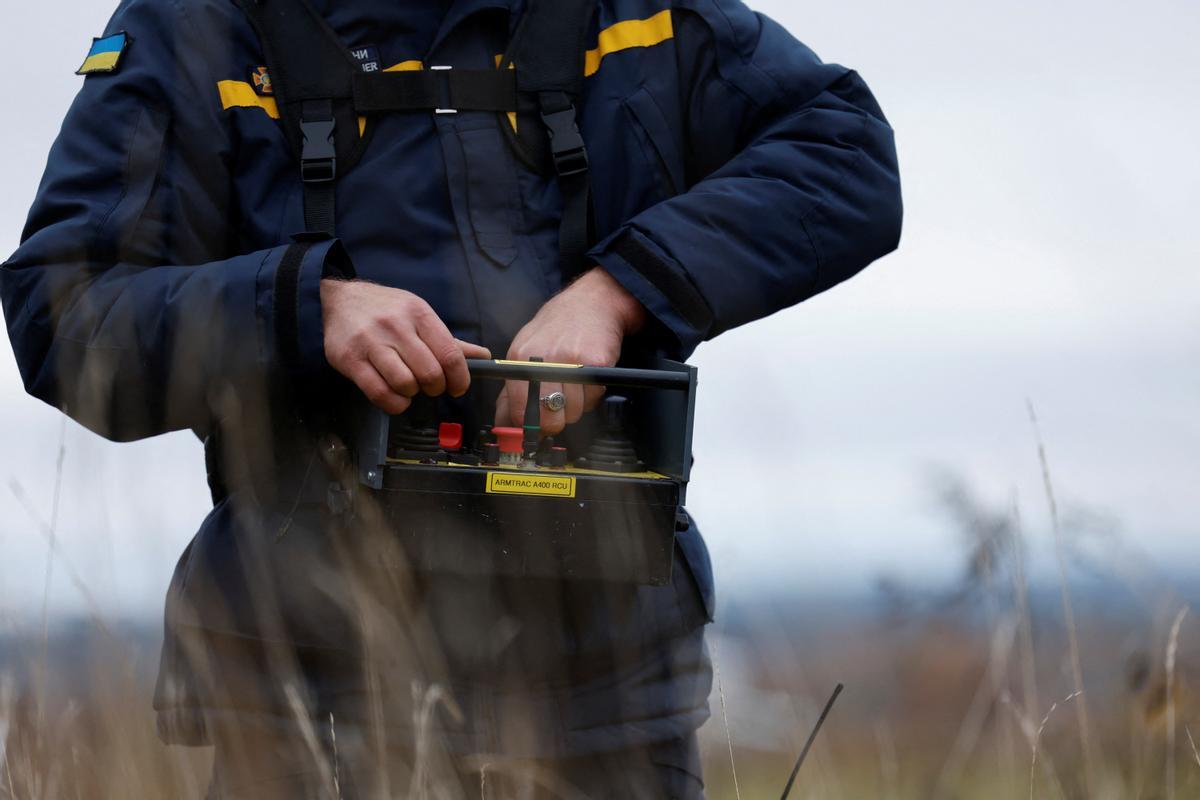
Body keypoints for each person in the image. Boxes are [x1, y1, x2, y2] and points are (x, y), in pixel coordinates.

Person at [0, 0, 902, 796]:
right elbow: (59, 310)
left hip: (611, 694)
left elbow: (846, 152)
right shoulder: (194, 26)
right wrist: (301, 305)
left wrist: (617, 290)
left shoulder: (632, 14)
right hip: (303, 695)